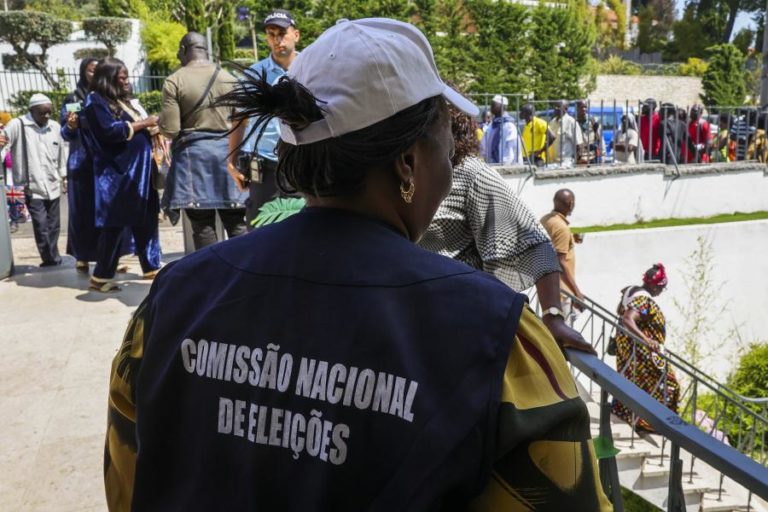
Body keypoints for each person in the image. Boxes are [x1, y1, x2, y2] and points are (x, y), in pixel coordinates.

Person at [104, 18, 611, 511]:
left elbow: (128, 484)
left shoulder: (176, 299)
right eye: (444, 142)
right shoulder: (496, 341)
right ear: (408, 162)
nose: (452, 162)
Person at [421, 102, 596, 353]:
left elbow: (535, 243)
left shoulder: (470, 174)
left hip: (462, 327)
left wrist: (553, 316)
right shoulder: (400, 174)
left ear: (451, 128)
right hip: (410, 324)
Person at [159, 32, 248, 250]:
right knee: (236, 221)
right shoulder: (230, 78)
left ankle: (212, 277)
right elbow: (243, 120)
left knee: (202, 225)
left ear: (183, 50)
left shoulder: (175, 81)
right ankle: (245, 274)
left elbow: (171, 130)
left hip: (193, 160)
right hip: (229, 157)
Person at [81, 58, 162, 292]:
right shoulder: (94, 101)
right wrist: (144, 123)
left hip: (140, 171)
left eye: (127, 77)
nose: (127, 82)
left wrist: (151, 127)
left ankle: (151, 266)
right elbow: (108, 132)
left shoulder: (122, 101)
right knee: (114, 225)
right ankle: (101, 277)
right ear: (109, 78)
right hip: (117, 175)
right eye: (122, 78)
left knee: (147, 218)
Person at [228, 9, 300, 226]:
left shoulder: (311, 67)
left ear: (295, 34)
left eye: (282, 33)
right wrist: (231, 160)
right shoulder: (255, 74)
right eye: (271, 34)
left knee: (305, 231)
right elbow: (240, 117)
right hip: (266, 166)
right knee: (261, 228)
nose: (277, 39)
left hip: (303, 163)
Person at [611, 263, 679, 434]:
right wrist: (647, 340)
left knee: (633, 381)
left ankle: (636, 417)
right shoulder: (644, 299)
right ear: (653, 285)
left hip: (627, 348)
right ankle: (655, 422)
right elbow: (627, 319)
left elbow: (621, 310)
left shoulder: (631, 291)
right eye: (661, 288)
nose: (661, 291)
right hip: (641, 352)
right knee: (669, 383)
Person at [0, 94, 67, 266]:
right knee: (41, 224)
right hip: (32, 185)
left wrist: (64, 176)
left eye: (49, 113)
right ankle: (50, 258)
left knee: (54, 225)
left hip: (52, 184)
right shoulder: (18, 124)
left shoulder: (55, 127)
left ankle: (52, 257)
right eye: (42, 113)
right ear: (31, 111)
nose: (46, 117)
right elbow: (3, 144)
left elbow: (61, 154)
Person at [540, 189, 585, 323]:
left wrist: (571, 238)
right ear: (571, 204)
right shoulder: (561, 228)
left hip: (547, 286)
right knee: (563, 335)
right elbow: (561, 262)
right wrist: (577, 292)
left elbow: (552, 243)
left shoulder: (546, 219)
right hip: (561, 292)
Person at [478, 95, 520, 165]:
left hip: (506, 167)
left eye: (494, 104)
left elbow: (511, 150)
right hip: (491, 166)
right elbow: (483, 146)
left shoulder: (509, 126)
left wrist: (503, 166)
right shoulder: (492, 125)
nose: (491, 107)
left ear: (502, 107)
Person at [547, 100, 583, 165]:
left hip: (566, 163)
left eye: (558, 107)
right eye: (555, 106)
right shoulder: (552, 122)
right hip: (552, 162)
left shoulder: (571, 122)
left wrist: (576, 161)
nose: (556, 108)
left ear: (566, 109)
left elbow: (579, 145)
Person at [575, 100, 604, 164]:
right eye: (581, 107)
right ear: (577, 108)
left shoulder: (592, 120)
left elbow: (599, 138)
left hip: (591, 155)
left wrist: (602, 155)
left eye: (585, 107)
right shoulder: (574, 121)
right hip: (579, 155)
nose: (584, 109)